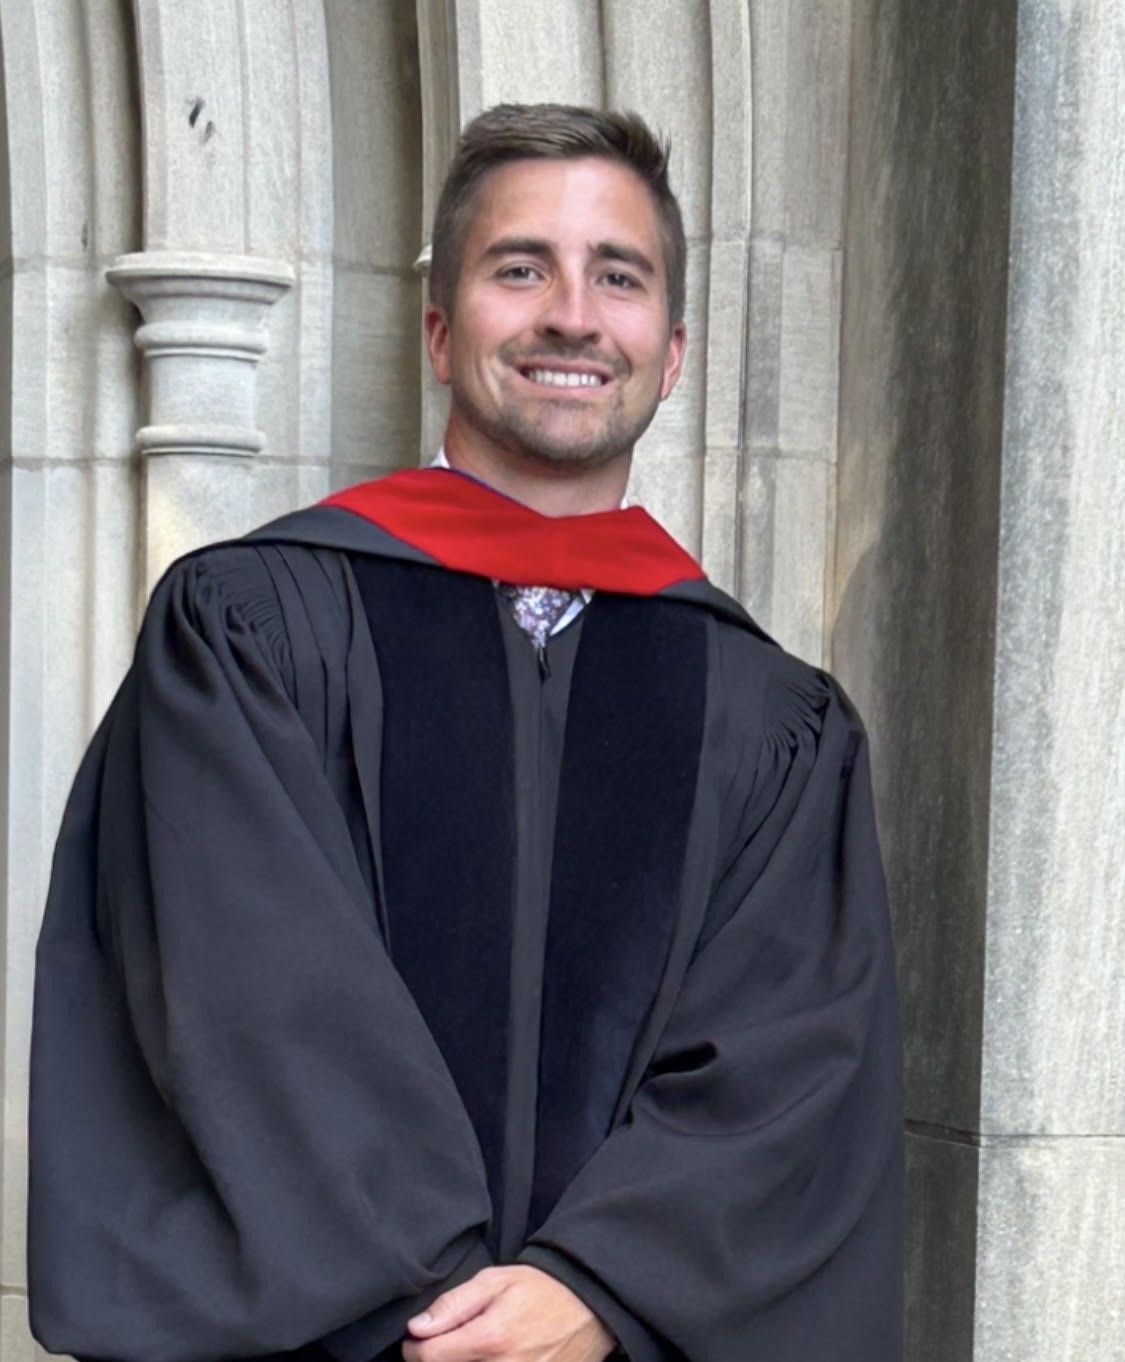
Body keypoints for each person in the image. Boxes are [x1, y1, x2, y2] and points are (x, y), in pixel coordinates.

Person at [27, 104, 904, 1362]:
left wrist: (599, 1288)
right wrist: (453, 1310)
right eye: (519, 268)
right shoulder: (248, 635)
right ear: (440, 333)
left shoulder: (770, 720)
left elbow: (791, 1068)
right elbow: (246, 1007)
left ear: (673, 353)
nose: (571, 314)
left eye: (619, 276)